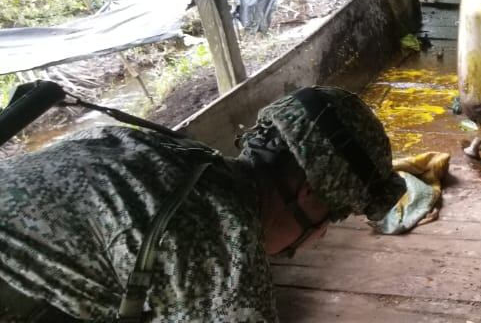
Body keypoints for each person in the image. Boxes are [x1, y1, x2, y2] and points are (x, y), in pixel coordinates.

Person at [0, 86, 405, 322]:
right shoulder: (228, 260)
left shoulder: (157, 147)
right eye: (331, 218)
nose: (319, 235)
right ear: (308, 194)